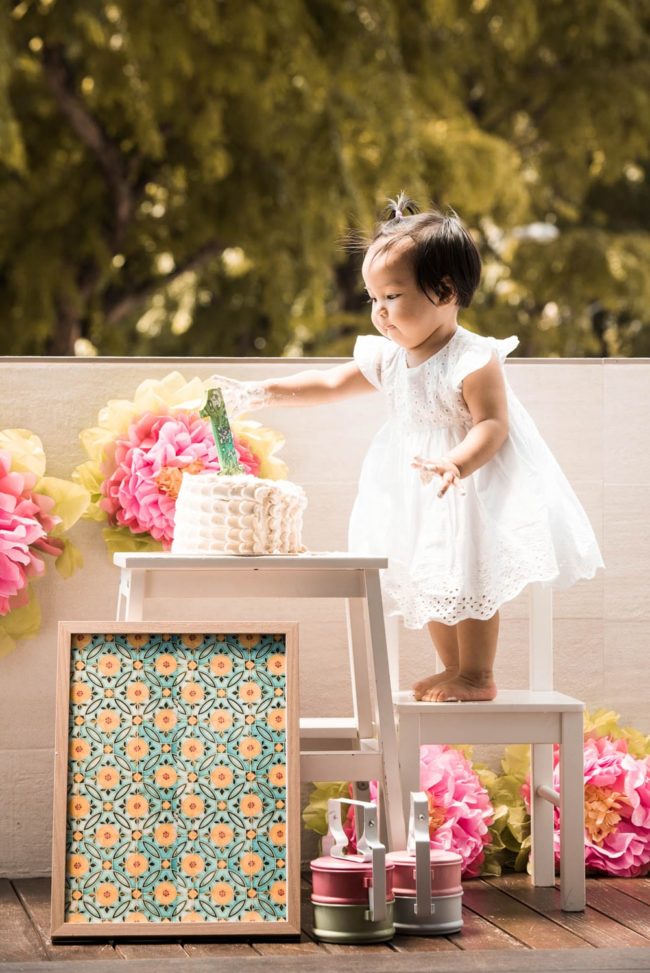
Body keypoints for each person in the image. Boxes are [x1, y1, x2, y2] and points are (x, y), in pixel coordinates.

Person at [214, 193, 604, 703]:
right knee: (430, 578)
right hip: (416, 486)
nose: (380, 312)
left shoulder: (472, 358)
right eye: (372, 299)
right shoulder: (391, 357)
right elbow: (330, 383)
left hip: (465, 486)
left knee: (469, 577)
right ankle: (452, 667)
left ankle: (477, 673)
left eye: (392, 297)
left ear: (444, 292)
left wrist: (455, 463)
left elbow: (492, 425)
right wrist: (262, 393)